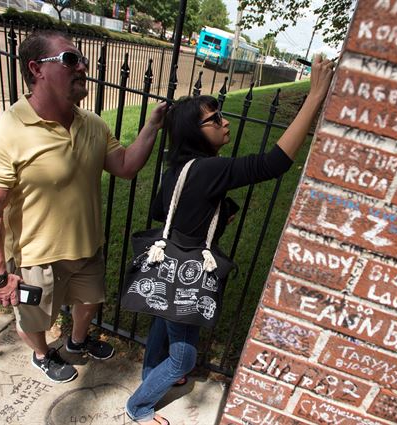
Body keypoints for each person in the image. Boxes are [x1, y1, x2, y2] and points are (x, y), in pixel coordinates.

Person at [125, 55, 334, 425]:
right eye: (215, 118)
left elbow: (163, 211)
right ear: (195, 131)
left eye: (221, 113)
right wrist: (315, 95)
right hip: (187, 271)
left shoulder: (179, 168)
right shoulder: (210, 169)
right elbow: (273, 163)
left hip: (166, 267)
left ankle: (149, 376)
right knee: (183, 358)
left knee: (162, 321)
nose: (225, 121)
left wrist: (213, 210)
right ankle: (139, 406)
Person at [0, 30, 167, 384]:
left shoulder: (94, 124)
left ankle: (76, 342)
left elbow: (126, 167)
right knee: (36, 318)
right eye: (71, 59)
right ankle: (42, 354)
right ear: (36, 69)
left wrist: (152, 126)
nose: (83, 66)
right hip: (35, 257)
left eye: (82, 59)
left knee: (89, 303)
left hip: (87, 246)